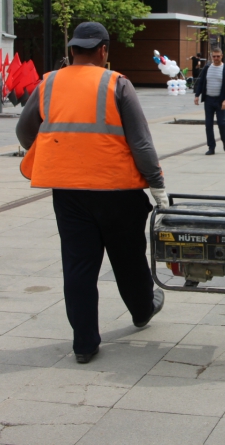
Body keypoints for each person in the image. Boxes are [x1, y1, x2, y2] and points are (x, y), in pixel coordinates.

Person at [16, 22, 166, 364]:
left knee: (79, 265)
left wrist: (54, 150)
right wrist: (156, 183)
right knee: (128, 257)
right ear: (104, 50)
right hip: (118, 190)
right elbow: (141, 142)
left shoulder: (48, 83)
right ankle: (142, 310)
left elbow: (24, 130)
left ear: (72, 51)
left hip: (68, 191)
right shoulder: (117, 84)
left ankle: (84, 344)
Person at [193, 46, 225, 155]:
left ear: (222, 56)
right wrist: (197, 95)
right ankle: (211, 147)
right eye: (214, 56)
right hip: (209, 100)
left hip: (220, 100)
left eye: (218, 56)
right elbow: (201, 82)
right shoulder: (207, 68)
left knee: (221, 123)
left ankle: (224, 140)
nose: (216, 58)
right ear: (211, 56)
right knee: (208, 124)